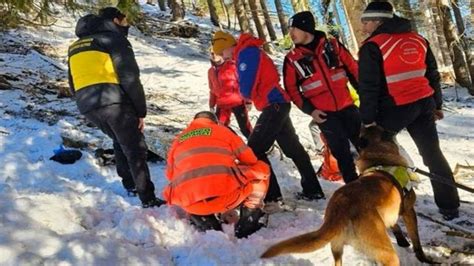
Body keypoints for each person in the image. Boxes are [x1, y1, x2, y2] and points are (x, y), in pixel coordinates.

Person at [358, 1, 460, 220]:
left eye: (365, 22)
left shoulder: (372, 46)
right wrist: (437, 105)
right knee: (433, 155)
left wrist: (368, 121)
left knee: (378, 157)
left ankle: (388, 202)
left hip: (392, 109)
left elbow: (368, 88)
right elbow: (432, 75)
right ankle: (450, 206)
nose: (363, 27)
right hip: (423, 104)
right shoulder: (418, 39)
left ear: (377, 21)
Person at [211, 31, 325, 205]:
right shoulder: (248, 51)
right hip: (277, 104)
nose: (221, 56)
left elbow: (247, 85)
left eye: (221, 52)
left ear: (226, 46)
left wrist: (245, 95)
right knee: (293, 148)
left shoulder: (246, 52)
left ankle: (272, 195)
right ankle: (313, 190)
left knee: (254, 149)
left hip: (274, 105)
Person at [68, 7, 164, 208]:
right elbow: (130, 78)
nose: (127, 24)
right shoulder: (114, 40)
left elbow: (72, 82)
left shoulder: (76, 45)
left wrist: (84, 101)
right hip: (113, 101)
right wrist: (140, 111)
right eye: (125, 20)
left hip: (86, 104)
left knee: (120, 141)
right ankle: (148, 199)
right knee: (135, 147)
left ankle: (130, 185)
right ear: (115, 20)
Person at [163, 111, 270, 238]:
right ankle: (248, 221)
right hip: (225, 197)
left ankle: (202, 217)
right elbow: (250, 160)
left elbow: (170, 175)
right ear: (215, 122)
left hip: (191, 203)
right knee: (261, 169)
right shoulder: (223, 131)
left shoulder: (178, 140)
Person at [283, 11, 361, 184]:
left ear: (306, 29)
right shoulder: (292, 59)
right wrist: (310, 111)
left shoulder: (333, 46)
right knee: (342, 154)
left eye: (294, 29)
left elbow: (354, 70)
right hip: (324, 114)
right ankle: (355, 189)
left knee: (366, 147)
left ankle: (377, 183)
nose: (291, 34)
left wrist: (366, 99)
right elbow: (291, 90)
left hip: (348, 107)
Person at [207, 46, 252, 138]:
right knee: (220, 126)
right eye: (211, 53)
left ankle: (257, 148)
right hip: (222, 104)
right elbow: (212, 90)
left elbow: (244, 83)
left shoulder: (233, 66)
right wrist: (211, 105)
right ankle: (236, 143)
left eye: (215, 52)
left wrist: (248, 101)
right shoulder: (211, 71)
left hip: (237, 102)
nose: (213, 55)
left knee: (245, 128)